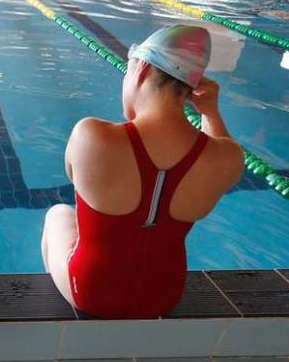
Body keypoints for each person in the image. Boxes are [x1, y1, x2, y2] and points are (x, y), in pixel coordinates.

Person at [41, 25, 244, 319]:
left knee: (58, 214)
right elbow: (220, 147)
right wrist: (209, 112)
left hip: (91, 294)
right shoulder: (226, 158)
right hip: (165, 295)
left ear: (141, 69)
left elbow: (76, 178)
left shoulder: (92, 135)